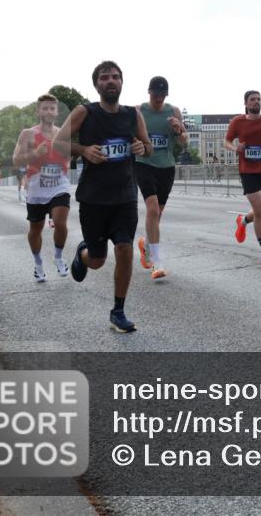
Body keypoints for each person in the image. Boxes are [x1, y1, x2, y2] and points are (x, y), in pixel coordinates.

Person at [57, 61, 152, 332]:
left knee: (125, 249)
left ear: (122, 82)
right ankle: (83, 254)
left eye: (115, 77)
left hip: (125, 196)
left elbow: (148, 147)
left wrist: (142, 147)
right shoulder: (84, 112)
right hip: (94, 199)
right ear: (96, 84)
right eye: (104, 77)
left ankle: (118, 311)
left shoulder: (133, 114)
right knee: (97, 261)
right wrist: (84, 150)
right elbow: (58, 142)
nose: (111, 81)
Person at [14, 94, 73, 282]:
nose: (49, 111)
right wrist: (35, 153)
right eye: (45, 108)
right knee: (36, 228)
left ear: (56, 112)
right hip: (37, 187)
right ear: (38, 112)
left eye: (52, 108)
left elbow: (69, 157)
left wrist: (66, 161)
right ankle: (38, 263)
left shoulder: (63, 134)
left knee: (60, 221)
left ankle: (58, 257)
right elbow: (16, 160)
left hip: (59, 185)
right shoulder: (28, 134)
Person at [135, 76, 187, 280]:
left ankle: (146, 244)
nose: (159, 98)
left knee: (158, 213)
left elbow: (183, 141)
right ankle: (157, 263)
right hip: (144, 163)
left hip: (166, 166)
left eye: (162, 95)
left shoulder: (173, 111)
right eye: (155, 94)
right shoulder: (139, 111)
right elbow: (129, 134)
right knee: (153, 209)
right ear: (149, 93)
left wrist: (178, 129)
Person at [224, 90, 261, 267]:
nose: (256, 101)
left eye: (258, 99)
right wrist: (236, 148)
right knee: (260, 212)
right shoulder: (238, 122)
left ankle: (243, 220)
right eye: (252, 99)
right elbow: (226, 141)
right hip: (248, 171)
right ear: (246, 103)